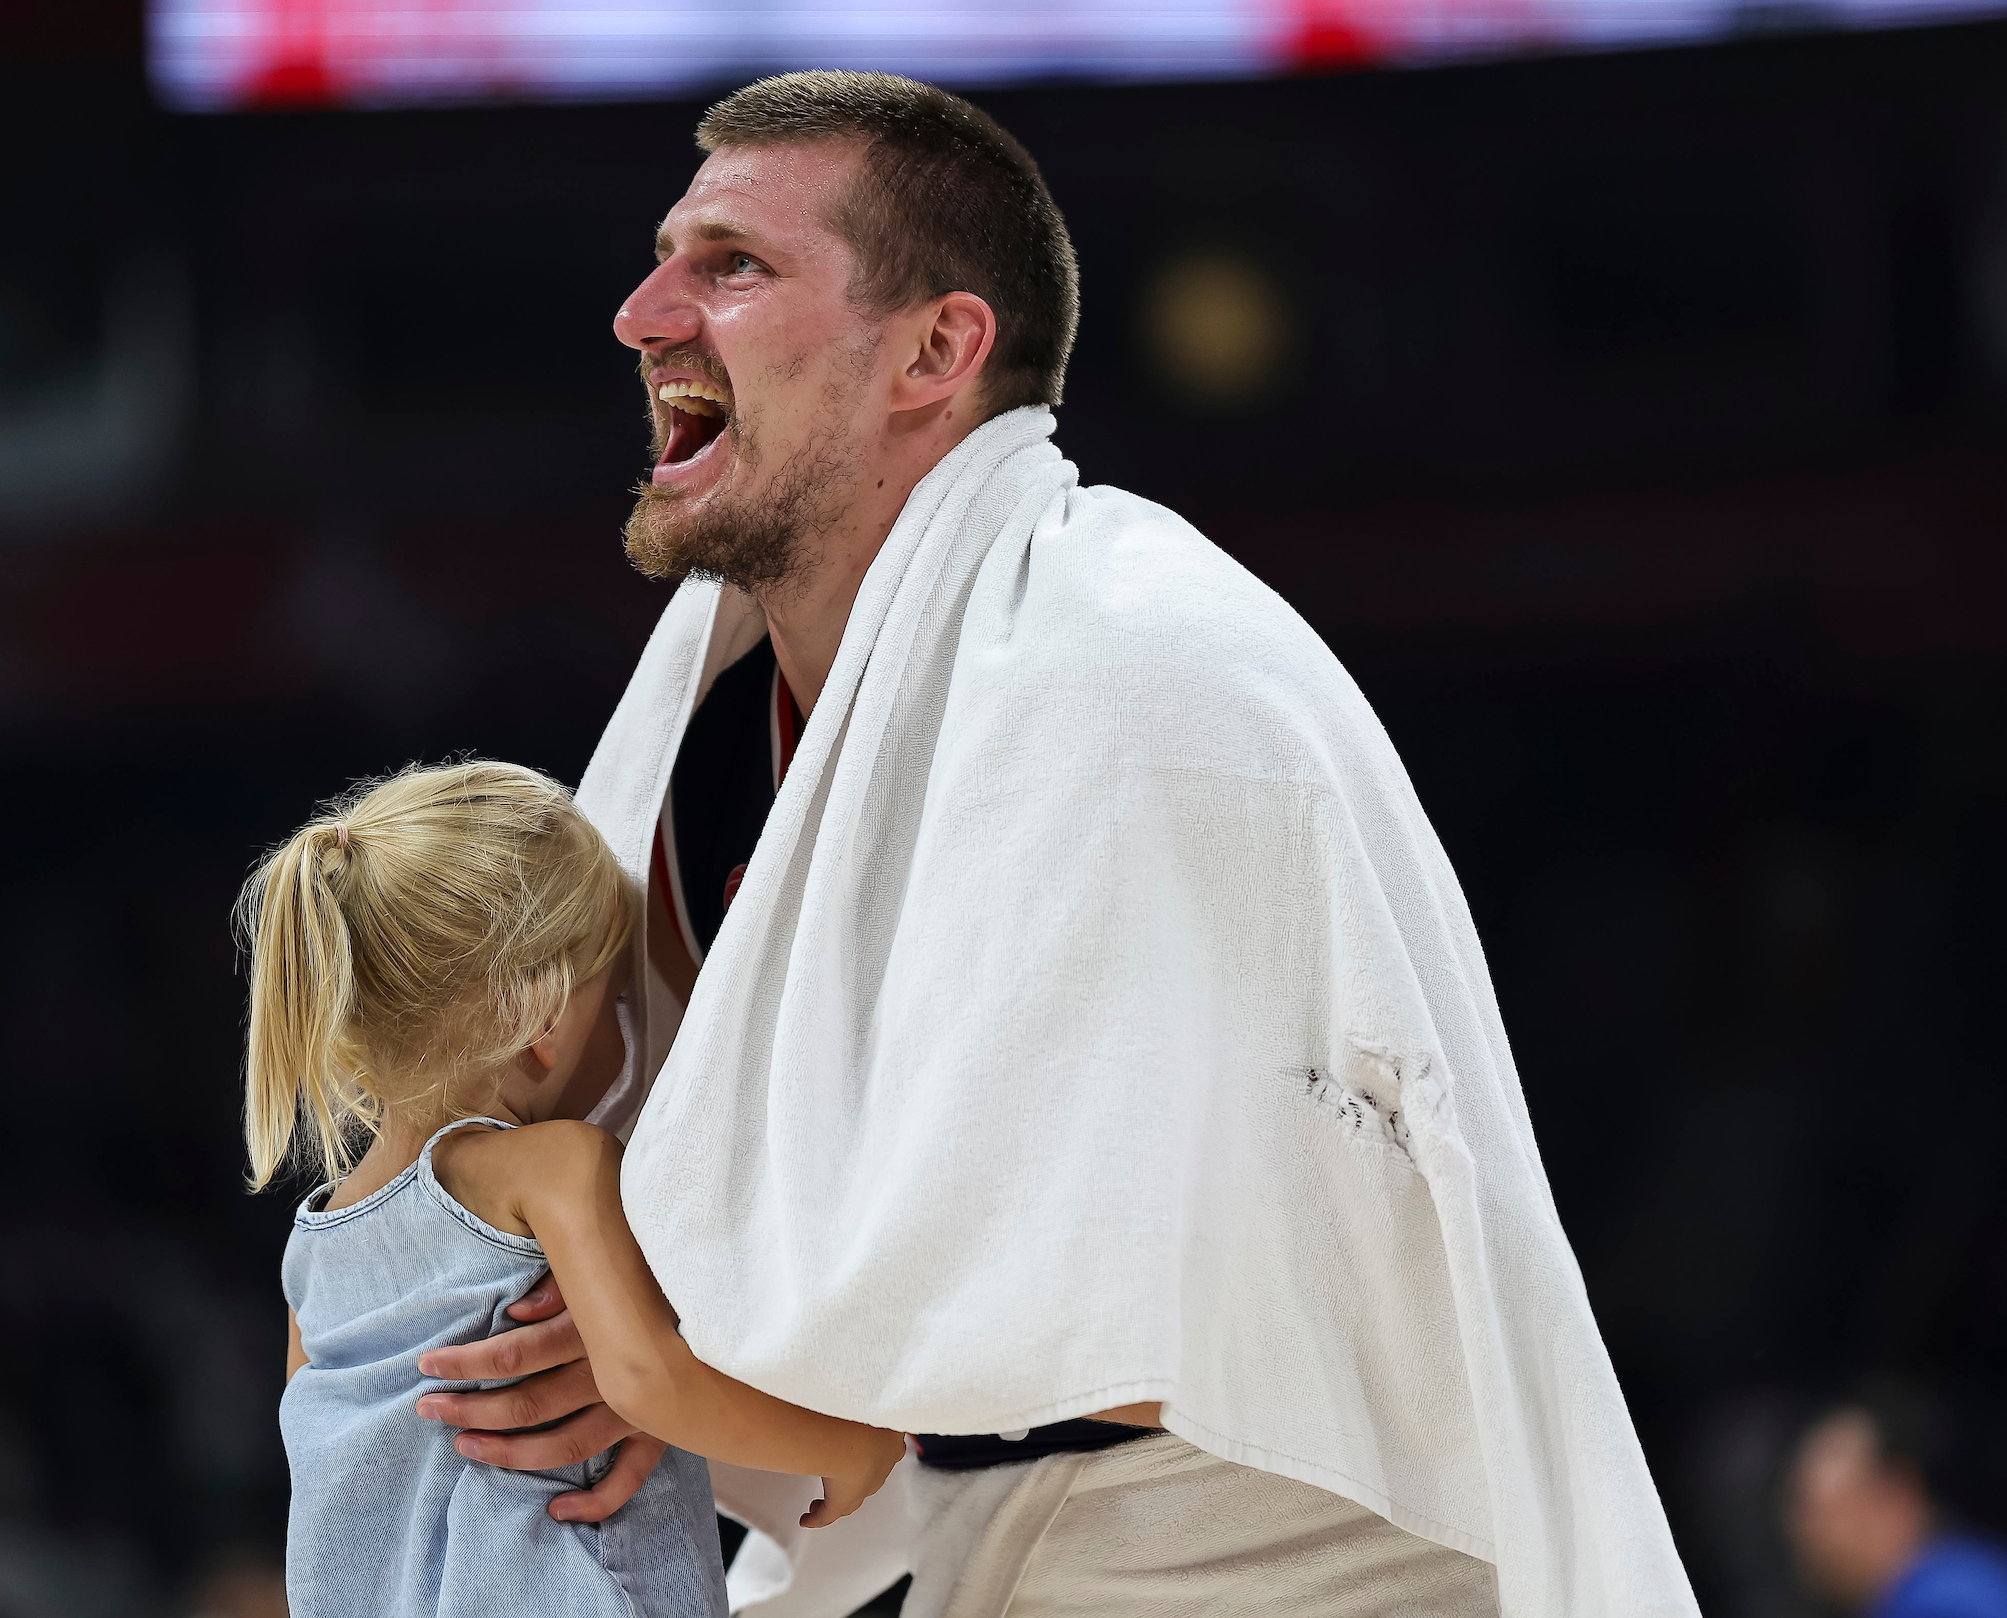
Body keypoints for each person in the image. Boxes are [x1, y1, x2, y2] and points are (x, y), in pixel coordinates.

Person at [416, 71, 1701, 1618]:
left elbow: (1156, 1298)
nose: (644, 313)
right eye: (666, 256)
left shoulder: (1133, 667)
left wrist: (658, 1345)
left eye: (732, 267)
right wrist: (607, 1334)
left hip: (1274, 1543)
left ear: (938, 351)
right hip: (974, 1519)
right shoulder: (707, 714)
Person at [241, 761, 903, 1618]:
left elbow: (324, 1481)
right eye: (616, 997)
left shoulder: (312, 1248)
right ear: (543, 1017)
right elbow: (646, 1380)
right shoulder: (553, 1166)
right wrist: (852, 1446)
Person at [1788, 1389, 2007, 1618]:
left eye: (1821, 1512)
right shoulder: (1972, 1577)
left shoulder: (1941, 1606)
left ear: (1895, 1495)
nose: (1801, 1533)